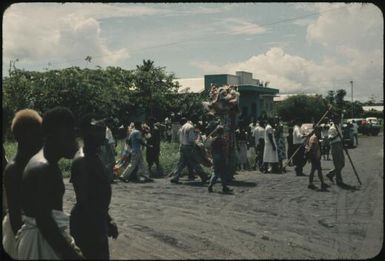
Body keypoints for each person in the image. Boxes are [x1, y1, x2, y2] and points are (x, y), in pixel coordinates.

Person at [17, 107, 83, 259]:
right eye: (68, 135)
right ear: (51, 135)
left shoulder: (47, 164)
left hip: (42, 240)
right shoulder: (44, 168)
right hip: (41, 244)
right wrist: (72, 255)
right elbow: (45, 223)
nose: (73, 140)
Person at [70, 114, 118, 259]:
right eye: (96, 130)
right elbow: (85, 201)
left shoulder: (94, 156)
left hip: (97, 221)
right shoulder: (82, 161)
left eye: (102, 130)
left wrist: (107, 219)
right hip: (88, 225)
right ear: (86, 134)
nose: (102, 133)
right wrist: (100, 224)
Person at [2, 109, 43, 259]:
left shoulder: (32, 163)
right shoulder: (13, 169)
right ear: (23, 137)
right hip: (19, 232)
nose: (41, 140)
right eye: (37, 135)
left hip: (33, 229)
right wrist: (23, 243)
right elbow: (14, 214)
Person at [170, 117, 209, 184]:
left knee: (181, 163)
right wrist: (196, 146)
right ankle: (204, 176)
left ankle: (175, 177)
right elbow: (191, 139)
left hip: (182, 146)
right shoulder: (190, 127)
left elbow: (179, 138)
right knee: (194, 162)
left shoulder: (181, 128)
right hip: (189, 147)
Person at [208, 126, 232, 193]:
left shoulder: (213, 140)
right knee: (223, 172)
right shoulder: (223, 140)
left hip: (215, 156)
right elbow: (224, 150)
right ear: (222, 132)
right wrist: (226, 158)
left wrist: (211, 156)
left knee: (215, 172)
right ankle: (224, 187)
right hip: (221, 157)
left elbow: (211, 150)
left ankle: (211, 185)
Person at [305, 126, 330, 191]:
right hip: (315, 157)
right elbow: (313, 147)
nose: (319, 132)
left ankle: (320, 183)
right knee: (315, 170)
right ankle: (312, 183)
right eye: (319, 131)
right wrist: (315, 155)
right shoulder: (314, 137)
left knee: (317, 170)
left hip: (315, 156)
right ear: (316, 130)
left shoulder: (313, 137)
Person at [326, 120, 345, 186]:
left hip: (339, 144)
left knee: (342, 163)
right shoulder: (332, 128)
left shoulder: (338, 126)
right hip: (335, 145)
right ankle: (338, 179)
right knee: (337, 163)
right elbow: (330, 138)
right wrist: (337, 135)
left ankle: (331, 174)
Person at [100, 118, 116, 183]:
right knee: (111, 162)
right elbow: (106, 141)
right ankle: (108, 177)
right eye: (111, 123)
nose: (112, 125)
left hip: (108, 147)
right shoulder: (106, 130)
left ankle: (109, 177)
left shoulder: (108, 129)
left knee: (109, 163)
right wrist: (110, 149)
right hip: (108, 147)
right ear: (108, 123)